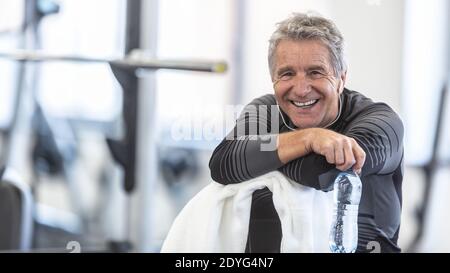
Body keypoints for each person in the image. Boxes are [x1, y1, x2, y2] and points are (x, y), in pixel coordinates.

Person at [209, 12, 404, 253]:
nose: (301, 90)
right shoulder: (268, 111)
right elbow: (224, 161)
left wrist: (263, 156)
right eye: (287, 73)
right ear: (273, 79)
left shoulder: (379, 122)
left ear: (342, 78)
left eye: (315, 72)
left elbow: (321, 173)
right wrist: (309, 138)